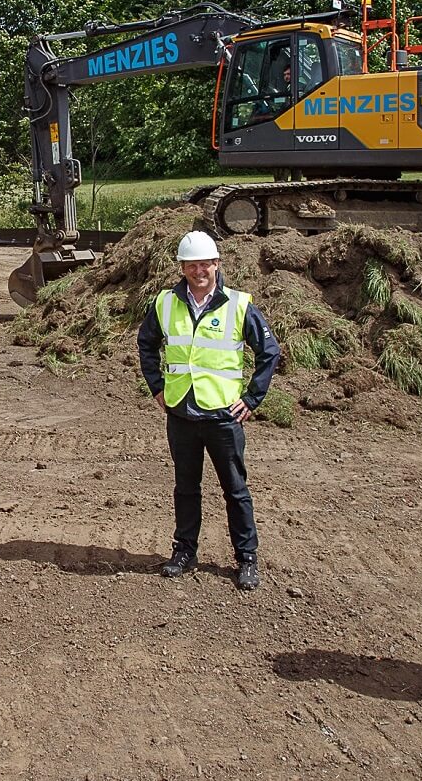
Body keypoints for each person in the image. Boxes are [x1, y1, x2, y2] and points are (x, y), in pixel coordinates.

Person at [137, 231, 281, 591]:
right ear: (182, 268)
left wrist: (251, 399)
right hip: (181, 412)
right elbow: (147, 344)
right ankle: (184, 551)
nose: (199, 270)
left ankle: (247, 558)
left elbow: (269, 352)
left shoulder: (238, 304)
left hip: (222, 415)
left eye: (205, 263)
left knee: (235, 489)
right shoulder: (165, 303)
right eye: (192, 265)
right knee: (186, 487)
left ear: (217, 264)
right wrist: (157, 387)